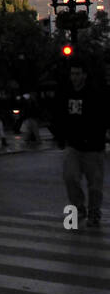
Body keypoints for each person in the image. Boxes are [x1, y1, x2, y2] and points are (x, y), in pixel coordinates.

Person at [52, 60, 108, 228]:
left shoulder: (94, 94)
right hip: (74, 145)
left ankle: (94, 211)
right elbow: (59, 115)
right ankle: (79, 207)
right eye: (72, 74)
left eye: (77, 74)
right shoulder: (66, 93)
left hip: (93, 146)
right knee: (70, 177)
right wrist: (61, 136)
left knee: (95, 184)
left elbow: (103, 115)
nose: (74, 78)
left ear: (84, 75)